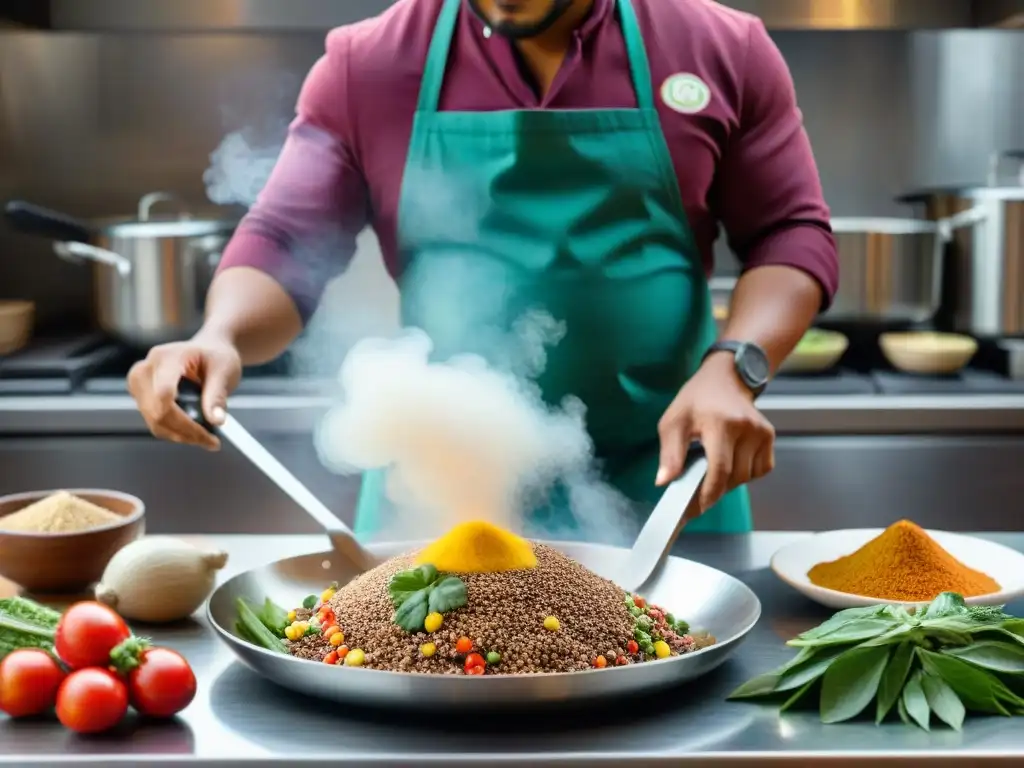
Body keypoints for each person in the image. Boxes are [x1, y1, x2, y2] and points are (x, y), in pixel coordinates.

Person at [128, 0, 839, 537]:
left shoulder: (719, 46)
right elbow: (283, 242)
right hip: (440, 496)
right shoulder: (369, 64)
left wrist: (736, 366)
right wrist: (219, 334)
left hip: (669, 490)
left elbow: (790, 232)